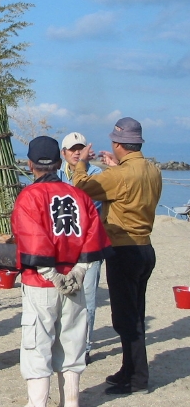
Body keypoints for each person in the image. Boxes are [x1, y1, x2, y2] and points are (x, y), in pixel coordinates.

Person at [12, 136, 110, 407]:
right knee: (72, 345)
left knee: (37, 347)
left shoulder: (29, 196)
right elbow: (93, 237)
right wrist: (77, 271)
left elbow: (32, 239)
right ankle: (71, 402)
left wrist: (52, 274)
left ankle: (38, 404)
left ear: (30, 164)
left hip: (40, 284)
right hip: (75, 282)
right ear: (58, 162)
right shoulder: (80, 196)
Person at [73, 117, 162, 395]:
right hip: (145, 247)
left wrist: (81, 164)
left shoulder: (119, 175)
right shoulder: (152, 170)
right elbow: (129, 187)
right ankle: (130, 369)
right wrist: (115, 166)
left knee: (126, 318)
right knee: (136, 312)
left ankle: (137, 378)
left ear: (118, 144)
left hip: (123, 249)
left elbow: (82, 188)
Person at [57, 132, 102, 366]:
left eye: (80, 148)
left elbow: (88, 205)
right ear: (63, 153)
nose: (77, 152)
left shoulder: (95, 175)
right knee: (61, 295)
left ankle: (84, 346)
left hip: (89, 247)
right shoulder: (55, 176)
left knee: (89, 299)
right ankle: (64, 342)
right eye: (72, 149)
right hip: (61, 249)